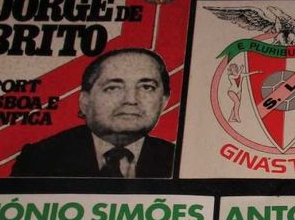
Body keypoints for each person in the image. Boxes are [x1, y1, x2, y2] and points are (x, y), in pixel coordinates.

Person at [11, 48, 175, 178]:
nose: (131, 100)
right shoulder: (39, 159)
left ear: (164, 101)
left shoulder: (177, 158)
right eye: (113, 88)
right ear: (85, 101)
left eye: (147, 87)